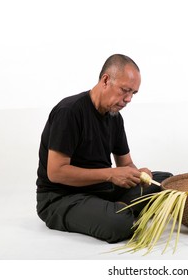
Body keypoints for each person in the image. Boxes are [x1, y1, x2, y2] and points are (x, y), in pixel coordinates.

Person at [36, 54, 172, 243]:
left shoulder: (114, 116)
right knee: (119, 224)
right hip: (61, 198)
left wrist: (139, 174)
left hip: (101, 191)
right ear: (106, 80)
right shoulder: (69, 111)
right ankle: (119, 214)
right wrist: (110, 174)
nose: (129, 99)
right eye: (125, 90)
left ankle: (116, 209)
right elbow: (56, 172)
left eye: (133, 93)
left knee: (166, 181)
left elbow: (126, 164)